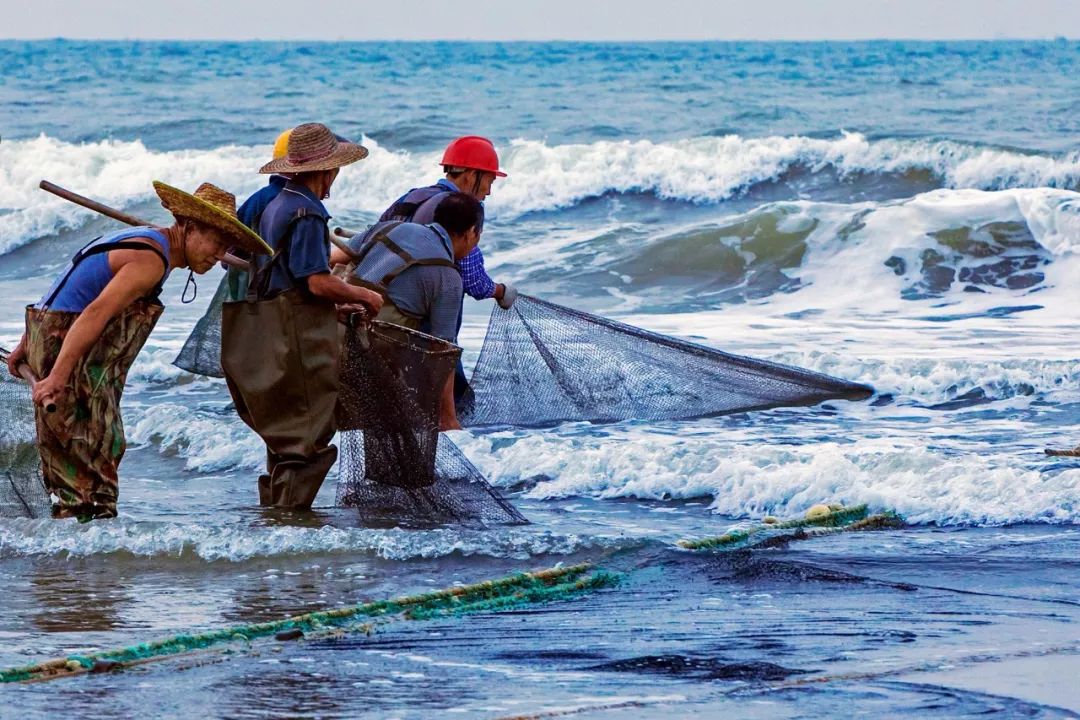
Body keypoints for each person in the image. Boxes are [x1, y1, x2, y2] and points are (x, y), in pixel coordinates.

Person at [6, 182, 272, 521]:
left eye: (226, 248)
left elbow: (64, 293)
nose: (220, 255)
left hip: (53, 339)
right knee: (84, 465)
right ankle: (77, 546)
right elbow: (95, 312)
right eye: (217, 243)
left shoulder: (149, 241)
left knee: (100, 448)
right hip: (68, 352)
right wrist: (56, 375)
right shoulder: (150, 259)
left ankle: (87, 544)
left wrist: (28, 344)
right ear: (190, 227)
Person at [221, 122, 383, 510]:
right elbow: (316, 282)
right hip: (298, 337)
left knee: (286, 436)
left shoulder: (275, 202)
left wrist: (336, 305)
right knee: (307, 439)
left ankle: (275, 519)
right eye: (335, 170)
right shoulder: (307, 212)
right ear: (326, 170)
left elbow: (276, 273)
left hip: (266, 328)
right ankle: (290, 524)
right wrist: (364, 295)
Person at [380, 135, 517, 405]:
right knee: (455, 399)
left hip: (385, 315)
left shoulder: (412, 197)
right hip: (428, 321)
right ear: (471, 175)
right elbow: (472, 280)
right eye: (489, 181)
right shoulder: (461, 209)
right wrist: (501, 292)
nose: (489, 191)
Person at [333, 192, 483, 430]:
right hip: (365, 360)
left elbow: (333, 260)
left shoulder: (390, 227)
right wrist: (448, 419)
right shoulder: (449, 277)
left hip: (326, 339)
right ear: (471, 232)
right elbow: (442, 352)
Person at [224, 128, 294, 300]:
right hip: (264, 295)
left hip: (241, 286)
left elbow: (229, 244)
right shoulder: (295, 204)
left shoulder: (258, 198)